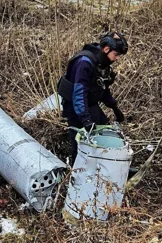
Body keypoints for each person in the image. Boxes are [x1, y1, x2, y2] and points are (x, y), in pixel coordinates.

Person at [57, 32, 128, 164]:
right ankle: (76, 170)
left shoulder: (101, 63)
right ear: (106, 49)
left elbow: (102, 87)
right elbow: (78, 94)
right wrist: (86, 120)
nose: (117, 58)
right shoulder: (84, 63)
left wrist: (114, 107)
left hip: (90, 103)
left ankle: (111, 166)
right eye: (116, 55)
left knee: (106, 133)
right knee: (80, 142)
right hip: (74, 107)